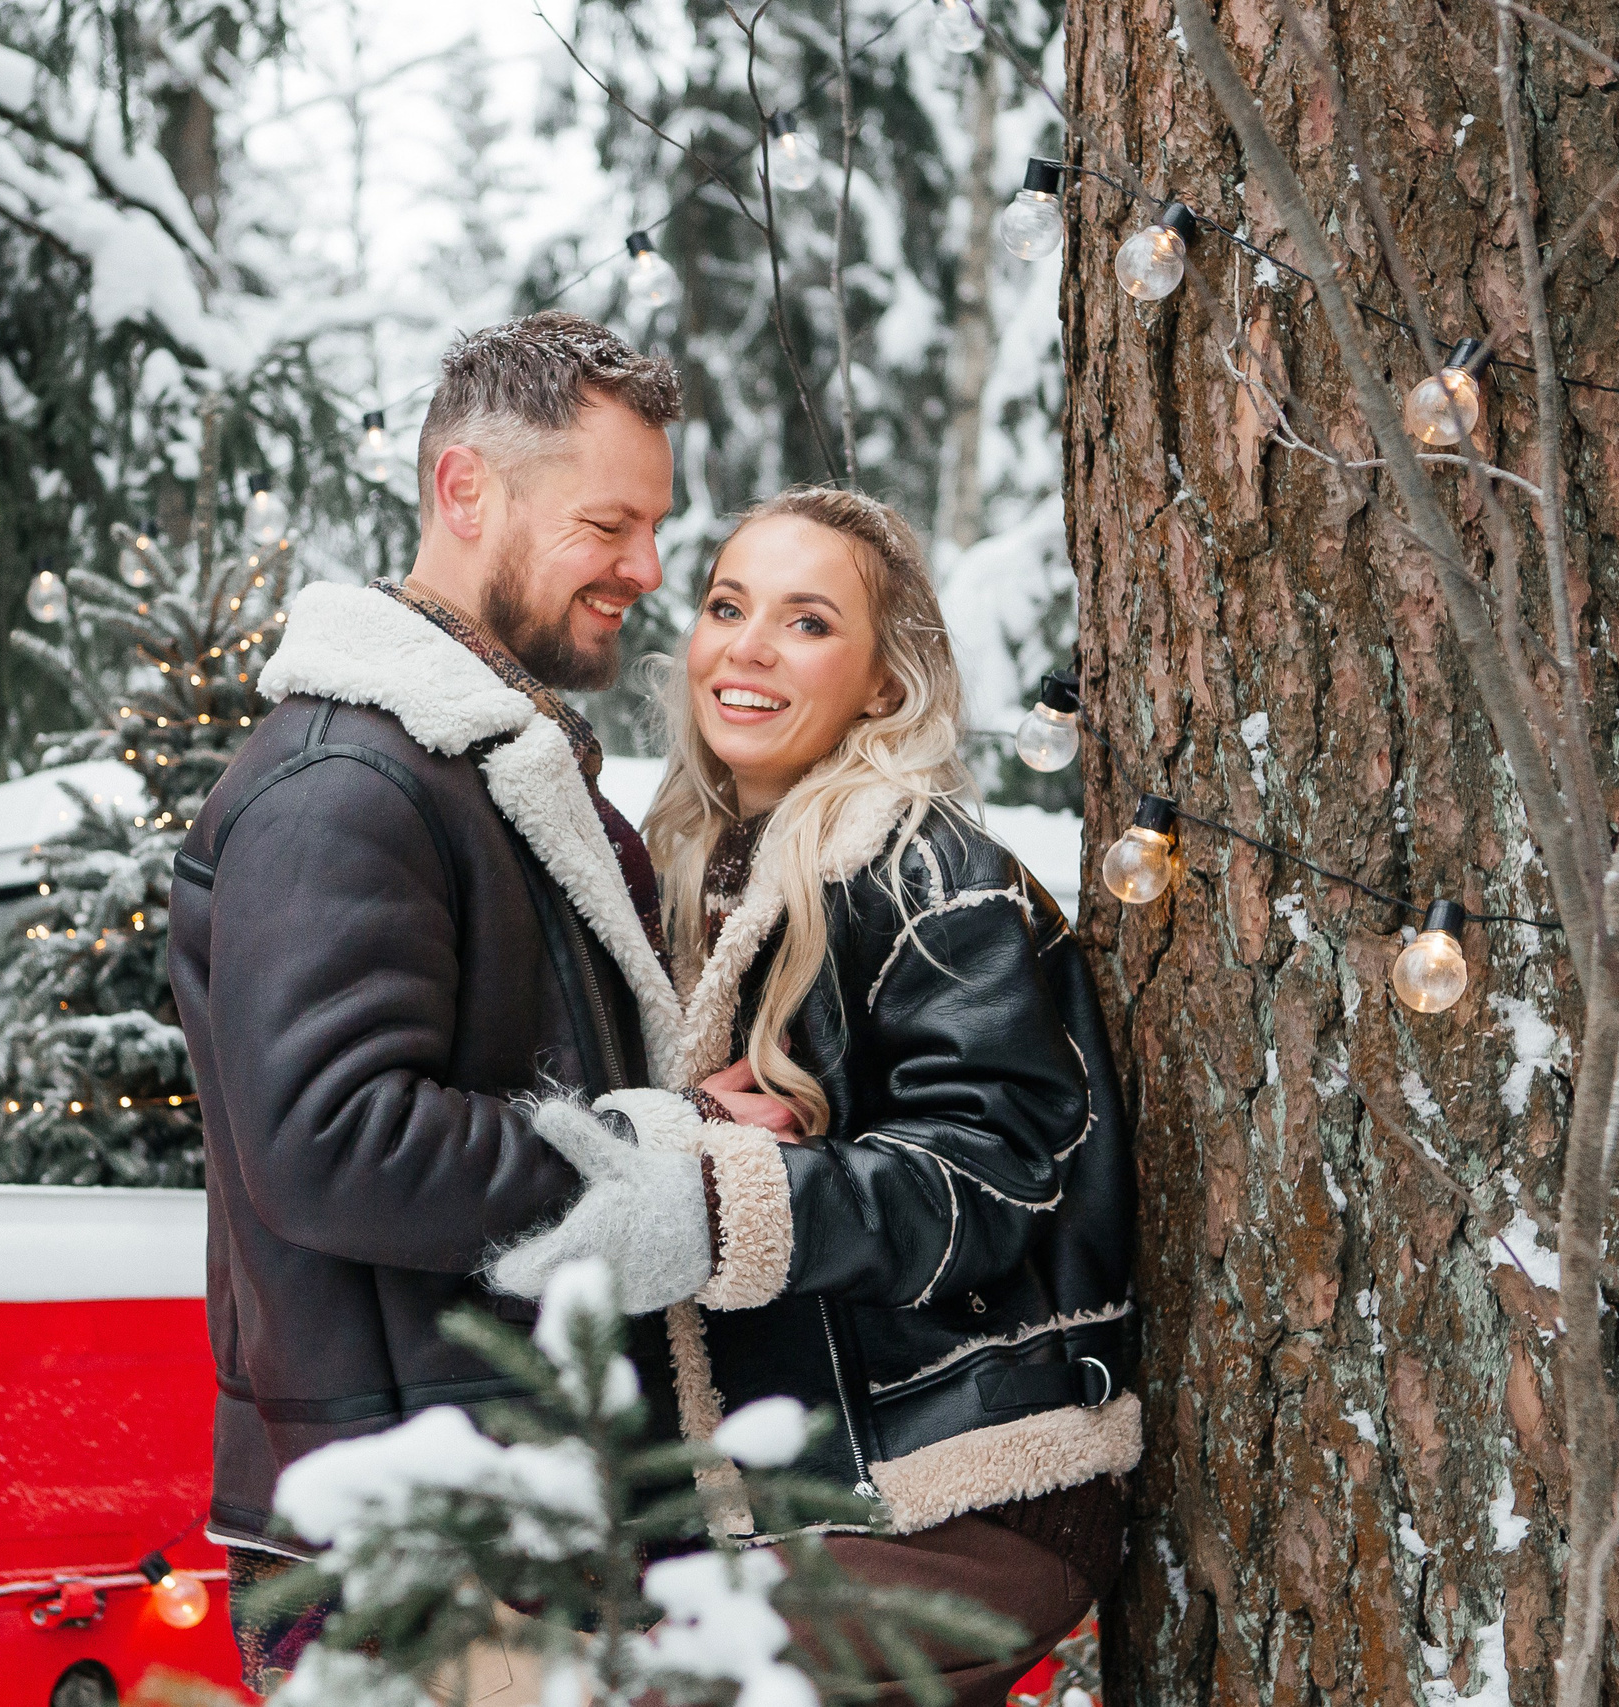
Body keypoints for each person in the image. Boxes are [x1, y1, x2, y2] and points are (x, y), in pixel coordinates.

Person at [167, 313, 785, 1697]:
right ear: (465, 490)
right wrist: (669, 1152)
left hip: (510, 1513)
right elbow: (335, 1140)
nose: (649, 568)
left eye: (655, 525)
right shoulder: (344, 783)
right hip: (416, 1551)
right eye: (611, 523)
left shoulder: (479, 770)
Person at [494, 485, 1138, 1707]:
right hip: (777, 1504)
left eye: (805, 622)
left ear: (884, 684)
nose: (744, 645)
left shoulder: (930, 870)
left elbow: (994, 1172)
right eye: (728, 605)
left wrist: (733, 1197)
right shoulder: (677, 880)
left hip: (960, 1481)